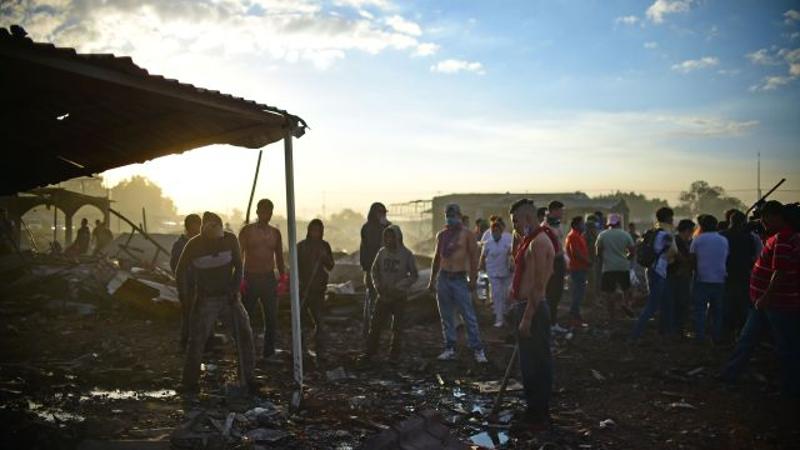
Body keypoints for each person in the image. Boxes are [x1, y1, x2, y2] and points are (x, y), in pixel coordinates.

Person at [719, 201, 799, 397]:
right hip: (764, 303)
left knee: (785, 346)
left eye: (765, 217)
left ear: (777, 217)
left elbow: (780, 271)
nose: (762, 221)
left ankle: (790, 388)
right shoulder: (779, 237)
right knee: (747, 339)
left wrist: (766, 296)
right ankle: (730, 374)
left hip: (776, 303)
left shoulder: (783, 238)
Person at [176, 212, 256, 395]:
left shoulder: (230, 240)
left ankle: (248, 377)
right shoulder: (193, 245)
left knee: (244, 334)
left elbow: (239, 266)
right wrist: (184, 294)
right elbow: (180, 270)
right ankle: (189, 382)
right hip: (205, 299)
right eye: (210, 241)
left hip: (229, 298)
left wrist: (234, 288)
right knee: (196, 341)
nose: (214, 245)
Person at [508, 199, 555, 431]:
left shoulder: (539, 242)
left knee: (536, 363)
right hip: (528, 306)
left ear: (527, 218)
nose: (514, 226)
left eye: (516, 221)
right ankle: (535, 409)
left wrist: (527, 316)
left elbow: (539, 285)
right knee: (529, 363)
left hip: (533, 308)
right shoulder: (531, 241)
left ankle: (538, 413)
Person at [427, 203, 487, 363]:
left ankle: (477, 349)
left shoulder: (467, 234)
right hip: (444, 278)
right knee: (446, 316)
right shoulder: (442, 235)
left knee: (468, 315)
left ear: (459, 216)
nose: (450, 217)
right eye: (448, 214)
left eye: (453, 214)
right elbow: (437, 258)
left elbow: (474, 258)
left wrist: (473, 279)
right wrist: (432, 279)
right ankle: (450, 347)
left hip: (460, 278)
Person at [239, 199, 287, 360]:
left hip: (268, 279)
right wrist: (239, 279)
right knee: (246, 318)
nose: (266, 214)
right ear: (258, 212)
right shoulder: (247, 231)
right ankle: (245, 352)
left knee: (271, 318)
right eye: (263, 211)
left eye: (269, 211)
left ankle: (269, 352)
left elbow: (279, 257)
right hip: (250, 278)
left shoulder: (275, 233)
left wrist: (283, 278)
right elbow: (239, 256)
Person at [364, 225, 419, 360]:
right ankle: (370, 352)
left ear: (398, 238)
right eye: (386, 237)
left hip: (399, 296)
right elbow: (374, 271)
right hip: (383, 296)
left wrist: (399, 286)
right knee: (375, 325)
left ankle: (394, 355)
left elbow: (414, 275)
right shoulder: (381, 253)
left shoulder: (406, 254)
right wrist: (378, 286)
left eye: (392, 237)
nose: (389, 240)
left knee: (397, 328)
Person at [631, 207, 676, 339]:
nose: (673, 220)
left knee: (667, 303)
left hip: (651, 269)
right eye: (672, 218)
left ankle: (666, 332)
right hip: (658, 271)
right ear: (668, 218)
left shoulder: (653, 232)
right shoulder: (666, 234)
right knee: (652, 306)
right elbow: (673, 252)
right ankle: (635, 335)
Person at [297, 219, 335, 356]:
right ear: (309, 230)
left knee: (319, 321)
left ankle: (319, 349)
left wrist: (325, 258)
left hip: (318, 290)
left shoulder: (324, 246)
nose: (315, 233)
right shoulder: (301, 247)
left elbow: (330, 266)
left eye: (318, 231)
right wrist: (300, 284)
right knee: (300, 322)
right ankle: (300, 349)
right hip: (303, 290)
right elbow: (295, 268)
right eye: (313, 230)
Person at [719, 210, 758, 341]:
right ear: (743, 222)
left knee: (727, 306)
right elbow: (753, 256)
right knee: (742, 307)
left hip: (726, 274)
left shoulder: (722, 235)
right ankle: (741, 334)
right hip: (743, 274)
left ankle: (725, 334)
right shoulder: (749, 237)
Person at [690, 214, 729, 344]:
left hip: (702, 279)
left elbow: (693, 260)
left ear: (702, 226)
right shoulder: (723, 240)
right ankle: (716, 337)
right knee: (717, 311)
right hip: (720, 279)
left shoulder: (697, 240)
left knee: (700, 310)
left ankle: (700, 337)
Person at [171, 214, 202, 351]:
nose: (198, 229)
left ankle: (200, 344)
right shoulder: (180, 245)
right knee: (188, 315)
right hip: (187, 285)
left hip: (201, 285)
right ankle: (185, 344)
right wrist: (182, 288)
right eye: (196, 225)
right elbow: (176, 267)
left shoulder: (202, 243)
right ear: (188, 227)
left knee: (201, 315)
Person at [597, 214, 635, 322]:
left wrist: (604, 259)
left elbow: (598, 251)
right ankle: (625, 304)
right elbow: (633, 251)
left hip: (608, 268)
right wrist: (626, 259)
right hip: (623, 266)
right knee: (626, 289)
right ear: (619, 223)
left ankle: (612, 316)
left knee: (609, 293)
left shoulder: (603, 235)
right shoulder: (626, 234)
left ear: (609, 223)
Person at [360, 202, 390, 339]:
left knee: (388, 300)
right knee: (372, 300)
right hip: (372, 269)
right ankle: (370, 330)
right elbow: (364, 250)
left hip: (388, 270)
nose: (382, 215)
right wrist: (366, 269)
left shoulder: (389, 228)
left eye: (383, 213)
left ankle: (384, 329)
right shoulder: (367, 228)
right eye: (380, 213)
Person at [480, 218, 513, 327]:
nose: (495, 233)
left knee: (506, 296)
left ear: (501, 231)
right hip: (493, 273)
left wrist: (512, 263)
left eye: (497, 231)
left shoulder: (507, 241)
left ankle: (506, 315)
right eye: (493, 231)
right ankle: (499, 319)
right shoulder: (488, 243)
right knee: (496, 296)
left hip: (506, 273)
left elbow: (511, 255)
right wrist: (481, 268)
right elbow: (483, 257)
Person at [668, 219, 695, 335]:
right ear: (686, 230)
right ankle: (677, 329)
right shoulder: (677, 241)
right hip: (678, 275)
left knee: (680, 303)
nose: (692, 233)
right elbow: (680, 258)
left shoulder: (681, 240)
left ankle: (678, 329)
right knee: (680, 303)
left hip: (681, 275)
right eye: (691, 231)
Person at [544, 201, 566, 329]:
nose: (562, 213)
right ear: (554, 210)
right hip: (552, 262)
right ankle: (550, 323)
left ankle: (553, 322)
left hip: (559, 260)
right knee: (551, 294)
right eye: (560, 210)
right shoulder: (546, 227)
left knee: (557, 294)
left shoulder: (558, 225)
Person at [565, 216, 590, 326]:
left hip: (580, 267)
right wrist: (587, 261)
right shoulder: (573, 236)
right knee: (578, 293)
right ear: (576, 225)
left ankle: (575, 315)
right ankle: (574, 315)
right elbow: (576, 253)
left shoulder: (578, 235)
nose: (584, 226)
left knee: (579, 293)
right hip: (578, 268)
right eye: (582, 224)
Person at [583, 214, 601, 299]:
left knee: (593, 281)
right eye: (594, 227)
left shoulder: (591, 235)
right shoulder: (586, 236)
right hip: (589, 261)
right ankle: (591, 300)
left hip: (593, 261)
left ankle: (590, 298)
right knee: (591, 282)